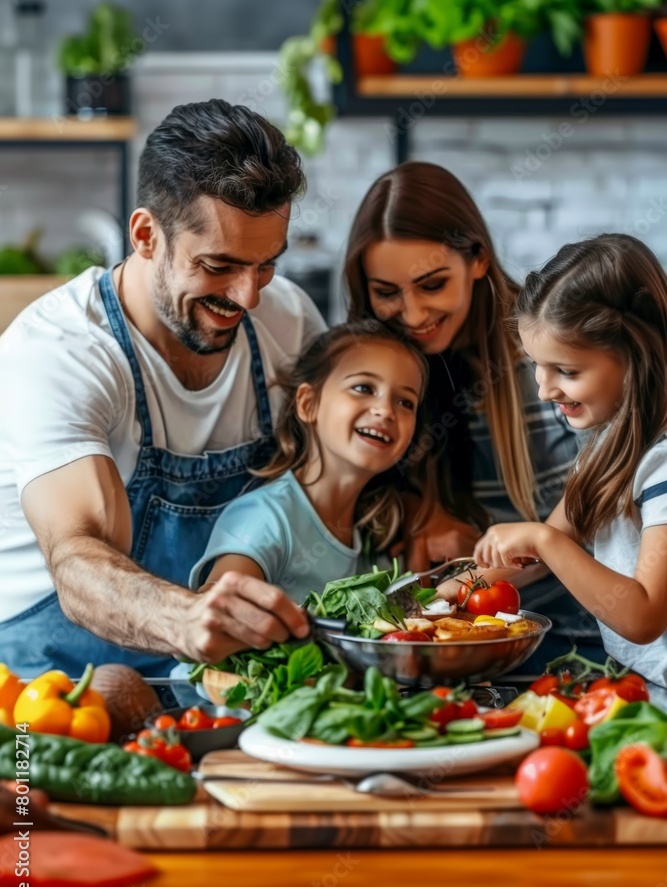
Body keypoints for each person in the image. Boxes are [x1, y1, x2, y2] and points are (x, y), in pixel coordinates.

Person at [0, 99, 325, 678]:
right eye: (219, 265)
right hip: (50, 691)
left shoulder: (287, 320)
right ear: (147, 235)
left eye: (266, 265)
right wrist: (185, 620)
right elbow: (77, 562)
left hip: (217, 688)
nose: (248, 297)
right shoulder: (58, 352)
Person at [344, 160, 602, 669]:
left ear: (478, 259)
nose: (413, 314)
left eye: (433, 285)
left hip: (585, 647)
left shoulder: (547, 355)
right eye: (387, 293)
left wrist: (462, 586)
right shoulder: (374, 368)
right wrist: (420, 514)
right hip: (459, 652)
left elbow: (587, 506)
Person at [470, 234, 667, 704]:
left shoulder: (661, 465)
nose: (544, 390)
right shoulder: (605, 452)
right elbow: (536, 560)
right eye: (537, 366)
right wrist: (430, 599)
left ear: (637, 355)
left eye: (567, 371)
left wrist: (542, 539)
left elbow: (643, 617)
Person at [190, 321, 428, 601]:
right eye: (364, 388)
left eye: (405, 402)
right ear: (307, 404)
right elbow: (217, 610)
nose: (386, 410)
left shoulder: (376, 532)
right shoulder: (266, 518)